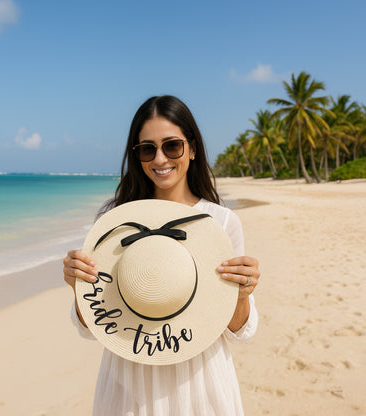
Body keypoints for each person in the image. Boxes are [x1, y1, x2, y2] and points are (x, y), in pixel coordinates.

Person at [63, 95, 260, 415]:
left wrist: (242, 294)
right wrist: (77, 287)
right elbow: (93, 325)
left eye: (172, 146)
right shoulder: (115, 223)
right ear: (136, 155)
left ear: (192, 148)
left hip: (199, 381)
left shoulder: (222, 223)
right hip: (128, 380)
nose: (160, 158)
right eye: (146, 148)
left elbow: (236, 331)